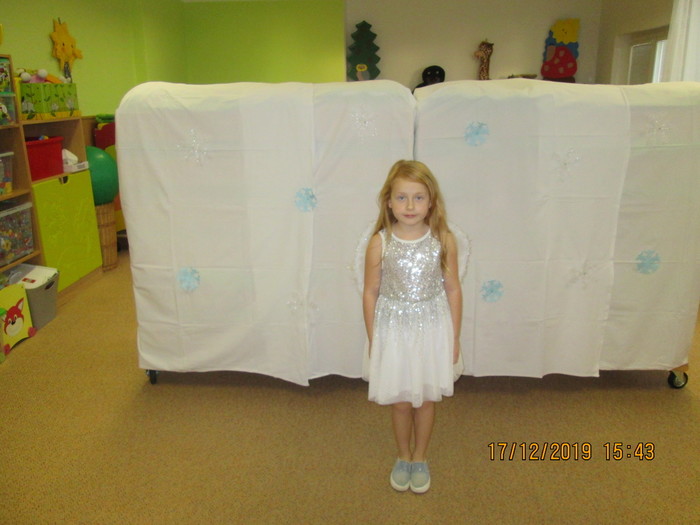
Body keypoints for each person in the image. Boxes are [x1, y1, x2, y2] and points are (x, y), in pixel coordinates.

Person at [363, 160, 463, 494]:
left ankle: (420, 456)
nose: (410, 206)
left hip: (431, 330)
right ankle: (403, 455)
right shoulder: (380, 243)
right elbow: (370, 292)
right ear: (389, 202)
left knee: (426, 399)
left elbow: (453, 289)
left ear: (431, 201)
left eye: (418, 197)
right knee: (401, 401)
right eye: (402, 197)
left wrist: (454, 338)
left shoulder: (443, 240)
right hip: (394, 333)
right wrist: (374, 339)